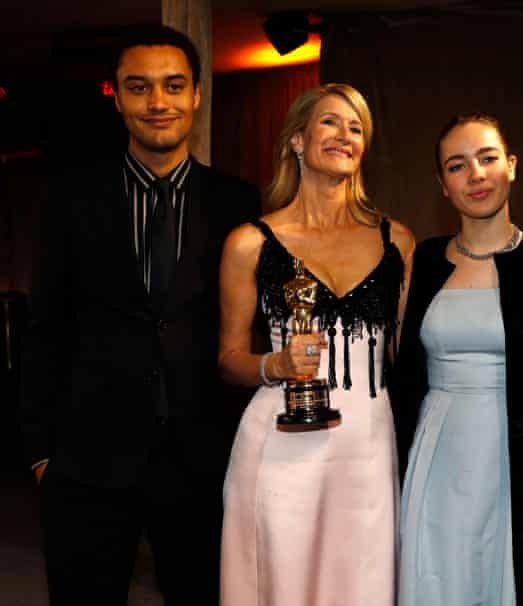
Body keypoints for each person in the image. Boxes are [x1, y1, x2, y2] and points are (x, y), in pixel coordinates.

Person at [19, 25, 260, 604]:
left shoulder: (240, 202)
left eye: (173, 86)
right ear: (117, 95)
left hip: (202, 463)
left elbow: (251, 328)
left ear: (196, 95)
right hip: (86, 463)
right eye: (140, 87)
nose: (158, 103)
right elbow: (44, 327)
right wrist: (40, 454)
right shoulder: (69, 198)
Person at [218, 83, 414, 606]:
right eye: (331, 122)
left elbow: (404, 357)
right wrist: (277, 362)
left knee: (363, 584)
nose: (345, 136)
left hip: (368, 448)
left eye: (357, 128)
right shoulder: (249, 243)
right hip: (280, 444)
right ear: (297, 140)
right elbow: (229, 359)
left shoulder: (397, 241)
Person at [394, 113, 523, 605]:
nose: (475, 174)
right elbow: (397, 366)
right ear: (442, 185)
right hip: (438, 451)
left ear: (512, 166)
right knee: (442, 571)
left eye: (488, 158)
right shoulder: (423, 259)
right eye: (457, 166)